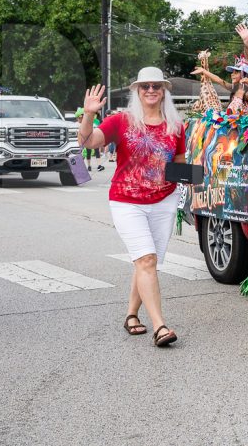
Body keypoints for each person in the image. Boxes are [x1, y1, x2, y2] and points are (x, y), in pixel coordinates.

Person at [77, 68, 185, 347]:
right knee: (146, 260)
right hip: (127, 202)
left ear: (164, 90)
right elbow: (87, 141)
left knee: (147, 263)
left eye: (156, 86)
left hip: (165, 201)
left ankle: (131, 315)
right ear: (137, 91)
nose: (151, 90)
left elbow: (180, 161)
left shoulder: (175, 124)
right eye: (145, 86)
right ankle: (160, 326)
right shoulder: (121, 121)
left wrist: (195, 182)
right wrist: (89, 114)